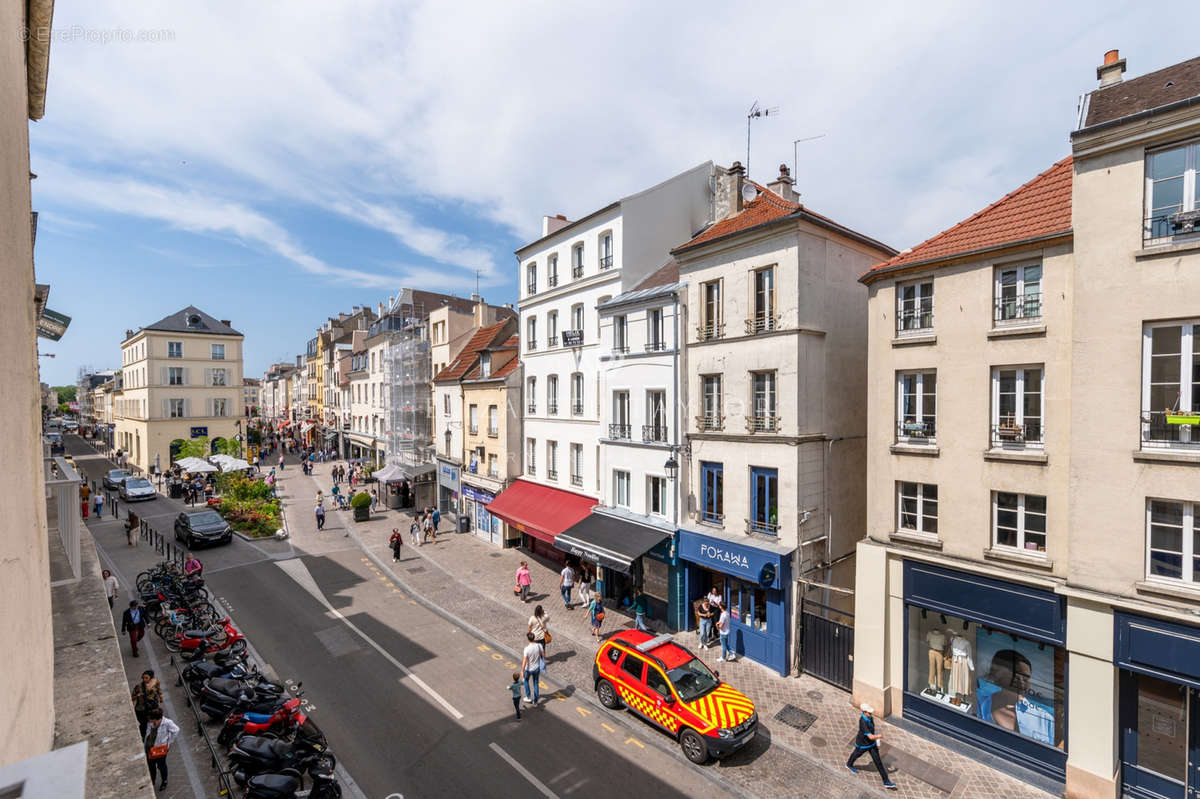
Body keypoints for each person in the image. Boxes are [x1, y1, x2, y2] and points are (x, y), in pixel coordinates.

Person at [975, 648, 1053, 744]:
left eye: (1026, 678)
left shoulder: (1045, 719)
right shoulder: (978, 701)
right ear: (998, 675)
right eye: (1016, 676)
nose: (1021, 682)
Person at [845, 703, 897, 790]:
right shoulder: (863, 722)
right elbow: (870, 736)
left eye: (871, 713)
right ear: (864, 712)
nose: (871, 714)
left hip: (871, 744)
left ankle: (886, 782)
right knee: (856, 754)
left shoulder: (870, 718)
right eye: (869, 713)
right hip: (863, 744)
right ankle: (849, 764)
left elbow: (872, 731)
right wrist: (878, 736)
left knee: (878, 762)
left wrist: (876, 738)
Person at [144, 709, 180, 791]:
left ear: (158, 719)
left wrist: (169, 742)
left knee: (162, 766)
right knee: (151, 766)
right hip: (150, 748)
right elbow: (147, 733)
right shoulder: (150, 723)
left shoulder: (167, 723)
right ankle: (152, 781)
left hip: (160, 749)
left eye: (153, 720)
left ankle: (164, 781)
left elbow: (176, 730)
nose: (152, 722)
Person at [131, 669, 162, 740]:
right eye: (143, 678)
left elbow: (159, 691)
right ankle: (143, 737)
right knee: (143, 725)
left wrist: (160, 698)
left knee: (154, 723)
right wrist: (137, 696)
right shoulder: (138, 687)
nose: (144, 679)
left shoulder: (155, 684)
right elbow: (132, 698)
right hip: (141, 710)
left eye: (146, 678)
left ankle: (154, 737)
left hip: (152, 709)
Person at [521, 632, 545, 706]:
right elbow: (543, 655)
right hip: (537, 668)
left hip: (528, 669)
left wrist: (522, 671)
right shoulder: (539, 646)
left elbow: (524, 661)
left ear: (528, 639)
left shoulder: (527, 649)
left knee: (525, 681)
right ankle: (535, 701)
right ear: (534, 638)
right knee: (535, 683)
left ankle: (528, 697)